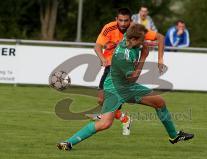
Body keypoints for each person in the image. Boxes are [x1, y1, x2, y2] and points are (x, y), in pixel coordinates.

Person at [57, 24, 194, 151]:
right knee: (105, 123)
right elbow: (134, 77)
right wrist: (144, 57)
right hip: (116, 88)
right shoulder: (123, 56)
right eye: (142, 40)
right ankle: (69, 142)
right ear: (133, 39)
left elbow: (159, 38)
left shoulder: (128, 38)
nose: (143, 42)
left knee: (160, 103)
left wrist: (157, 56)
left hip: (124, 85)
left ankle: (174, 136)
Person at [94, 8, 164, 136]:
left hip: (125, 67)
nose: (123, 23)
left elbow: (159, 37)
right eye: (120, 20)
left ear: (130, 20)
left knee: (112, 98)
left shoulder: (135, 29)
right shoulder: (109, 28)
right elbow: (97, 46)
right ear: (116, 19)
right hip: (111, 65)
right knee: (100, 100)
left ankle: (113, 116)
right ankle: (124, 118)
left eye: (126, 21)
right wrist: (103, 59)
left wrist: (160, 59)